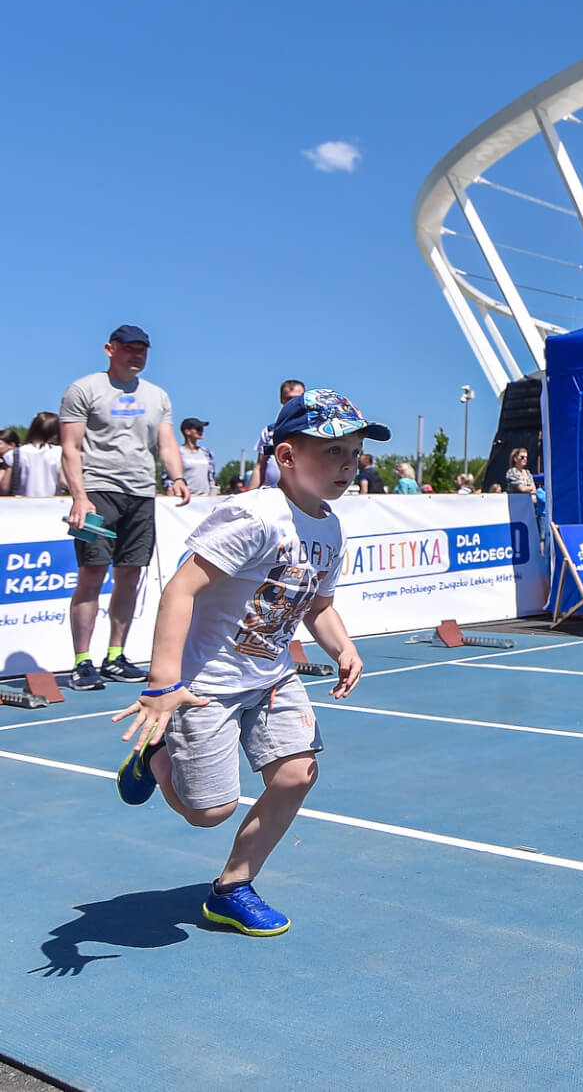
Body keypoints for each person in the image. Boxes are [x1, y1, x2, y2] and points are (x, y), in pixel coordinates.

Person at [110, 388, 386, 936]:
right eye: (332, 451)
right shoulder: (256, 515)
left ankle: (233, 887)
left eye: (354, 454)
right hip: (205, 684)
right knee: (206, 812)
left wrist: (342, 646)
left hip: (271, 677)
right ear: (286, 457)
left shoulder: (330, 527)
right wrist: (164, 682)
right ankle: (156, 754)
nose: (348, 466)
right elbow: (180, 589)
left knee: (296, 774)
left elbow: (318, 605)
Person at [61, 325, 192, 691]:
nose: (137, 355)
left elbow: (166, 443)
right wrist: (79, 497)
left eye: (143, 350)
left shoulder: (157, 396)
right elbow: (70, 447)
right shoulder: (84, 389)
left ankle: (115, 655)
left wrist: (177, 476)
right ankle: (81, 661)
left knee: (130, 575)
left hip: (141, 495)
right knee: (92, 572)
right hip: (98, 491)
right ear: (110, 349)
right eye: (129, 349)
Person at [248, 380, 306, 491]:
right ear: (281, 399)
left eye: (297, 398)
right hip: (272, 496)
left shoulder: (316, 430)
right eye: (288, 398)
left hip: (304, 497)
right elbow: (260, 466)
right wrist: (247, 497)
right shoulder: (269, 433)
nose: (293, 402)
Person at [9, 412, 64, 498]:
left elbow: (5, 487)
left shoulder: (16, 453)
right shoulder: (59, 452)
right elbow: (63, 481)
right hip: (52, 503)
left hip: (21, 504)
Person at [171, 418, 217, 499]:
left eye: (202, 429)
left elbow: (211, 476)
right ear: (187, 431)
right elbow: (169, 478)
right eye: (198, 429)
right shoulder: (177, 452)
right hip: (185, 497)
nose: (201, 431)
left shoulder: (206, 453)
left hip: (205, 498)